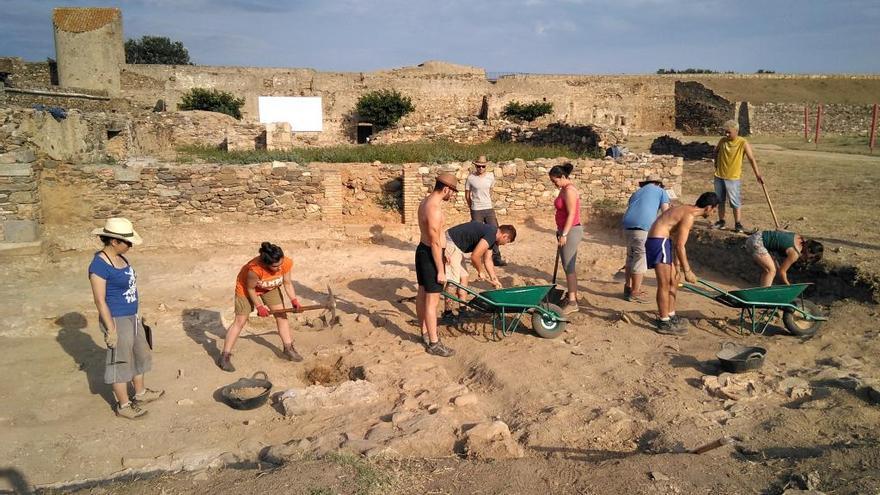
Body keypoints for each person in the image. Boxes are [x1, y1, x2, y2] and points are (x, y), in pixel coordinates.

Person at [88, 218, 164, 419]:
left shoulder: (122, 258)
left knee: (141, 353)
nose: (130, 245)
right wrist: (111, 328)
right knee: (120, 361)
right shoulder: (99, 265)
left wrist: (138, 314)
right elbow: (99, 300)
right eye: (127, 242)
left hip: (131, 316)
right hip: (116, 318)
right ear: (114, 241)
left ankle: (140, 393)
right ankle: (123, 405)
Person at [217, 242, 303, 372]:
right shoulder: (254, 269)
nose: (280, 268)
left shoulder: (285, 263)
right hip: (246, 289)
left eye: (281, 263)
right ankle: (224, 356)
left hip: (269, 287)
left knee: (281, 316)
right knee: (240, 321)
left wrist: (294, 300)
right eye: (275, 266)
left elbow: (287, 283)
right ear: (266, 264)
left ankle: (288, 349)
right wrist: (260, 306)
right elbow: (251, 289)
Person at [646, 192, 720, 335]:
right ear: (709, 207)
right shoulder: (689, 216)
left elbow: (675, 240)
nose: (714, 213)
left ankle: (671, 315)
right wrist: (688, 271)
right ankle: (663, 322)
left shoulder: (687, 210)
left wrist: (678, 266)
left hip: (663, 241)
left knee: (674, 280)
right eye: (715, 210)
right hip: (658, 241)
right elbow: (680, 245)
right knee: (665, 284)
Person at [416, 173, 458, 357]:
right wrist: (440, 269)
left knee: (422, 292)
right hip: (430, 254)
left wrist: (444, 252)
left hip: (423, 251)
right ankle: (434, 343)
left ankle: (425, 333)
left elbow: (435, 239)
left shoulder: (425, 202)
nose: (453, 196)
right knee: (432, 301)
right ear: (446, 189)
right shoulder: (434, 209)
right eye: (453, 192)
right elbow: (434, 241)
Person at [440, 222, 517, 323]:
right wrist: (480, 271)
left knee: (464, 277)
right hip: (450, 243)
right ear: (504, 236)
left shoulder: (493, 238)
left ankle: (463, 309)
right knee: (453, 281)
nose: (505, 244)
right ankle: (447, 314)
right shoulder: (491, 234)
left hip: (457, 248)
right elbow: (475, 256)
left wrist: (495, 279)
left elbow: (487, 260)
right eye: (507, 241)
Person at [622, 174, 671, 303]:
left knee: (630, 256)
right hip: (642, 227)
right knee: (640, 258)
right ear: (658, 183)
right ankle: (635, 292)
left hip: (627, 226)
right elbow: (666, 213)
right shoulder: (661, 191)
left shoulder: (636, 193)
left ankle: (628, 287)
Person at [713, 120, 763, 233]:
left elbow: (751, 159)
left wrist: (757, 174)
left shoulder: (742, 142)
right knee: (720, 200)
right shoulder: (722, 141)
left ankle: (738, 224)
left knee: (735, 201)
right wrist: (716, 163)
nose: (726, 134)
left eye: (729, 132)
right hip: (719, 176)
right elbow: (715, 152)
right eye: (725, 132)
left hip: (733, 178)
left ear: (736, 131)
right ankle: (721, 221)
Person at [548, 162, 583, 314]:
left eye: (555, 181)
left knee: (569, 267)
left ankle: (573, 302)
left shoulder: (570, 191)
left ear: (562, 177)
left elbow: (571, 214)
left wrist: (564, 234)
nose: (554, 184)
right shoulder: (563, 189)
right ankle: (570, 296)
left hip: (571, 231)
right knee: (566, 265)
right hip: (564, 230)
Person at [465, 155, 507, 266]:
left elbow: (491, 190)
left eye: (483, 166)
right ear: (475, 166)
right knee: (477, 233)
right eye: (479, 166)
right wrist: (472, 206)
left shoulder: (490, 176)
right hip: (476, 209)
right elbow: (467, 194)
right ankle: (477, 257)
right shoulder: (470, 178)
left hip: (488, 208)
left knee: (495, 232)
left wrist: (489, 202)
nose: (481, 169)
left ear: (486, 166)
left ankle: (496, 257)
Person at [746, 230, 824, 287]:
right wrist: (788, 286)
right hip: (758, 242)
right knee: (771, 270)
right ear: (809, 250)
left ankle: (762, 290)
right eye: (811, 257)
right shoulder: (795, 253)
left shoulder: (799, 238)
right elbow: (782, 272)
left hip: (757, 236)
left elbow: (780, 232)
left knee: (769, 270)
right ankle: (763, 295)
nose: (808, 259)